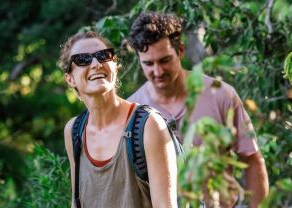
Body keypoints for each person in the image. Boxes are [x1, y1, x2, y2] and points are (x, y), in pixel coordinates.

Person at [126, 12, 269, 207]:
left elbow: (252, 160)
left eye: (165, 60)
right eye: (148, 64)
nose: (158, 71)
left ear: (181, 51)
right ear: (139, 59)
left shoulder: (220, 95)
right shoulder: (132, 112)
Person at [61, 31, 177, 208]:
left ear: (115, 66)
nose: (96, 64)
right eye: (83, 59)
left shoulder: (149, 125)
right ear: (70, 79)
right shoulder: (74, 131)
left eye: (103, 56)